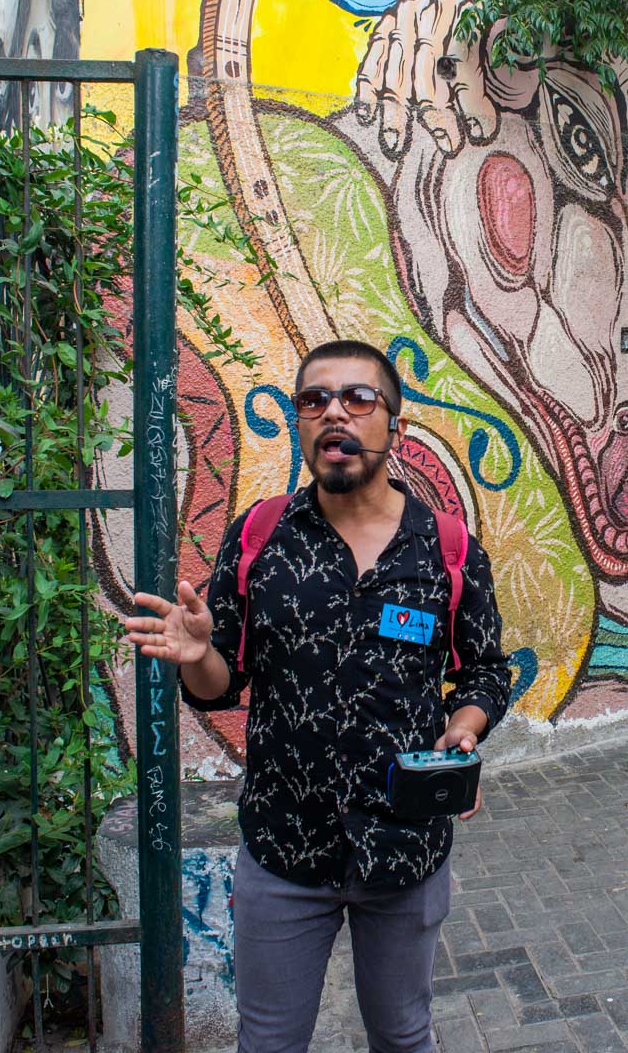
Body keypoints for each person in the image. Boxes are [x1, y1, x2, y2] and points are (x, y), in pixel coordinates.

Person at [125, 339, 511, 1053]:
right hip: (282, 852)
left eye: (359, 398)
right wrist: (198, 654)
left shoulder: (448, 549)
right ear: (301, 424)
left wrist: (464, 727)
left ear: (394, 426)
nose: (335, 411)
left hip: (404, 849)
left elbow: (485, 670)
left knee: (402, 1034)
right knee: (269, 1041)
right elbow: (219, 689)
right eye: (314, 399)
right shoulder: (259, 538)